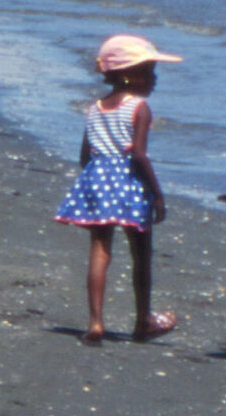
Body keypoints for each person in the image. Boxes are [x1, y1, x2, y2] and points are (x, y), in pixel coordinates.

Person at [53, 34, 181, 345]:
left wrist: (97, 176)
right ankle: (143, 321)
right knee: (140, 255)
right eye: (149, 72)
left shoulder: (94, 108)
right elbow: (138, 154)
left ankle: (96, 321)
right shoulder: (139, 107)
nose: (154, 79)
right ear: (130, 73)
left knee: (99, 250)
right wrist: (158, 194)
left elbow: (85, 155)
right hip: (130, 183)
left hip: (97, 179)